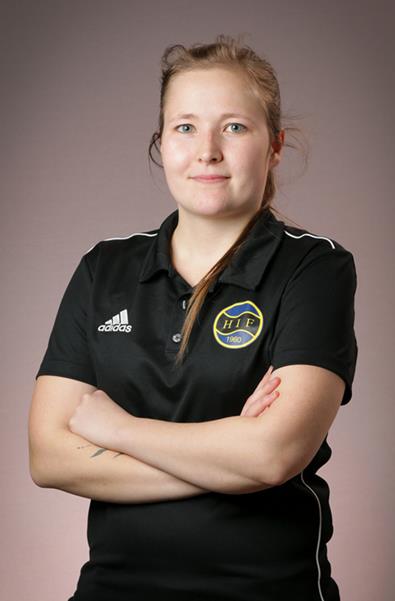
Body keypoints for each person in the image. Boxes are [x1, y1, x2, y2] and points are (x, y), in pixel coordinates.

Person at [28, 34, 358, 601]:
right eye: (185, 127)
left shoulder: (314, 268)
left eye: (234, 127)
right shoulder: (104, 268)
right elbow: (49, 458)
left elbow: (273, 455)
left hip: (267, 590)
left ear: (275, 146)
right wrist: (230, 459)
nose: (207, 151)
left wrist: (120, 431)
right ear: (162, 143)